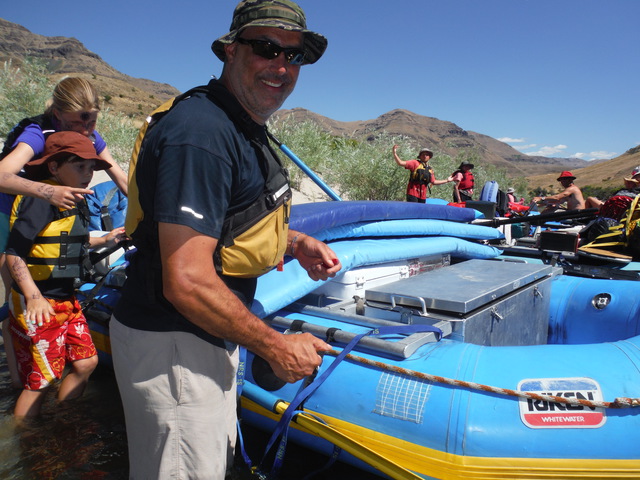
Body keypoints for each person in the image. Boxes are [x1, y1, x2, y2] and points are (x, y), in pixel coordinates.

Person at [109, 1, 342, 478]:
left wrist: (294, 242)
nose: (281, 66)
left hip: (200, 339)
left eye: (294, 55)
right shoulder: (202, 134)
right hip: (175, 345)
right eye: (266, 48)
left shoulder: (238, 127)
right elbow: (187, 280)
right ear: (231, 50)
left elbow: (225, 223)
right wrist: (276, 346)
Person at [0, 77, 128, 387]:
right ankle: (20, 380)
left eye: (91, 122)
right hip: (12, 206)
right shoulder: (37, 133)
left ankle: (48, 356)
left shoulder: (89, 135)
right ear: (57, 115)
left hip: (52, 203)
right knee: (17, 289)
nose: (85, 131)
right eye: (76, 123)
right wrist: (48, 192)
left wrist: (145, 215)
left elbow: (118, 175)